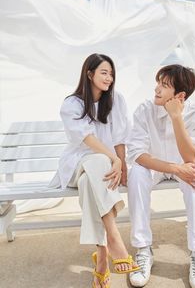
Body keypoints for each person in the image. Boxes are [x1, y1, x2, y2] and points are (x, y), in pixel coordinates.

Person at [49, 53, 139, 288]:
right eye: (104, 72)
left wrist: (122, 163)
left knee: (91, 183)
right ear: (89, 74)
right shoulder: (72, 104)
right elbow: (86, 139)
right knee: (96, 161)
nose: (109, 78)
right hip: (77, 165)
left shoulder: (116, 100)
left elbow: (119, 137)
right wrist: (114, 160)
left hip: (102, 173)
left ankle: (101, 257)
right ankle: (114, 238)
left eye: (111, 73)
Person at [127, 64, 195, 288]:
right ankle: (143, 250)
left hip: (185, 165)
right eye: (158, 83)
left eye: (164, 86)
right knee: (137, 173)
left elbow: (191, 157)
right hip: (156, 166)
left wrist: (176, 117)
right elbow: (138, 155)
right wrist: (175, 169)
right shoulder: (144, 110)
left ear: (180, 95)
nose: (156, 89)